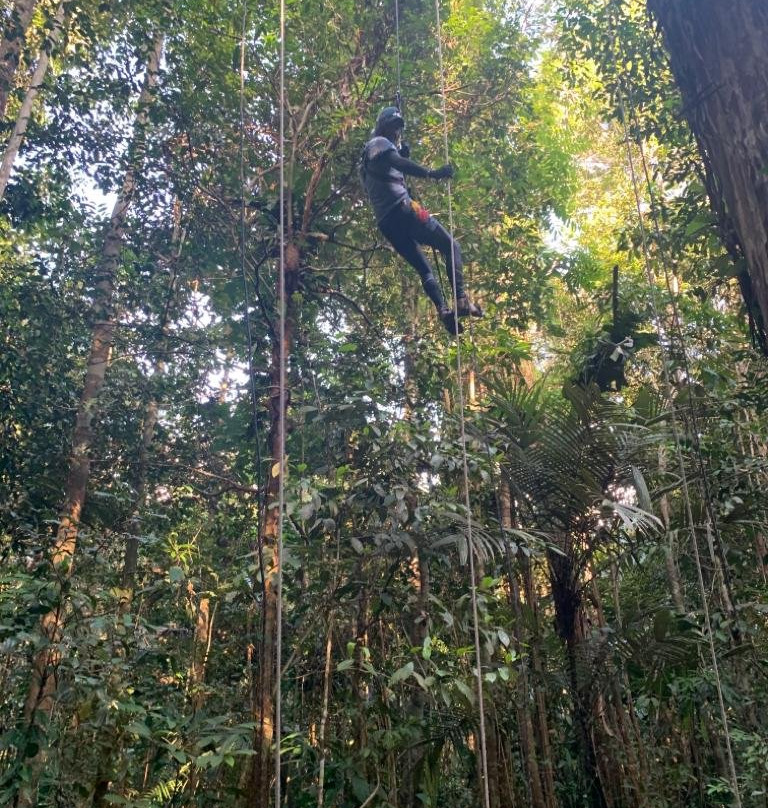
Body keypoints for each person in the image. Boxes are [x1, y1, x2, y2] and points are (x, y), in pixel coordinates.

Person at [360, 106, 483, 335]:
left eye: (398, 128)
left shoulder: (367, 162)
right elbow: (399, 164)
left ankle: (443, 310)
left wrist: (401, 155)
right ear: (382, 126)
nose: (396, 132)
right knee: (452, 246)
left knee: (424, 269)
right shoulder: (379, 142)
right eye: (393, 127)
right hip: (404, 210)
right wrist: (432, 173)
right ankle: (461, 299)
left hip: (387, 224)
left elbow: (388, 175)